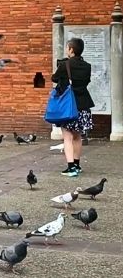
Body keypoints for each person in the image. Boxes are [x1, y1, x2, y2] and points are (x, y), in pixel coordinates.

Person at [51, 37, 94, 177]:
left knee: (67, 137)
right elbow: (85, 81)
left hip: (69, 106)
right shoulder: (87, 66)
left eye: (68, 48)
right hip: (83, 105)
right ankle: (77, 164)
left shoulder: (65, 65)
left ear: (71, 49)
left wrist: (61, 67)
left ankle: (70, 168)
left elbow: (54, 78)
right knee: (78, 136)